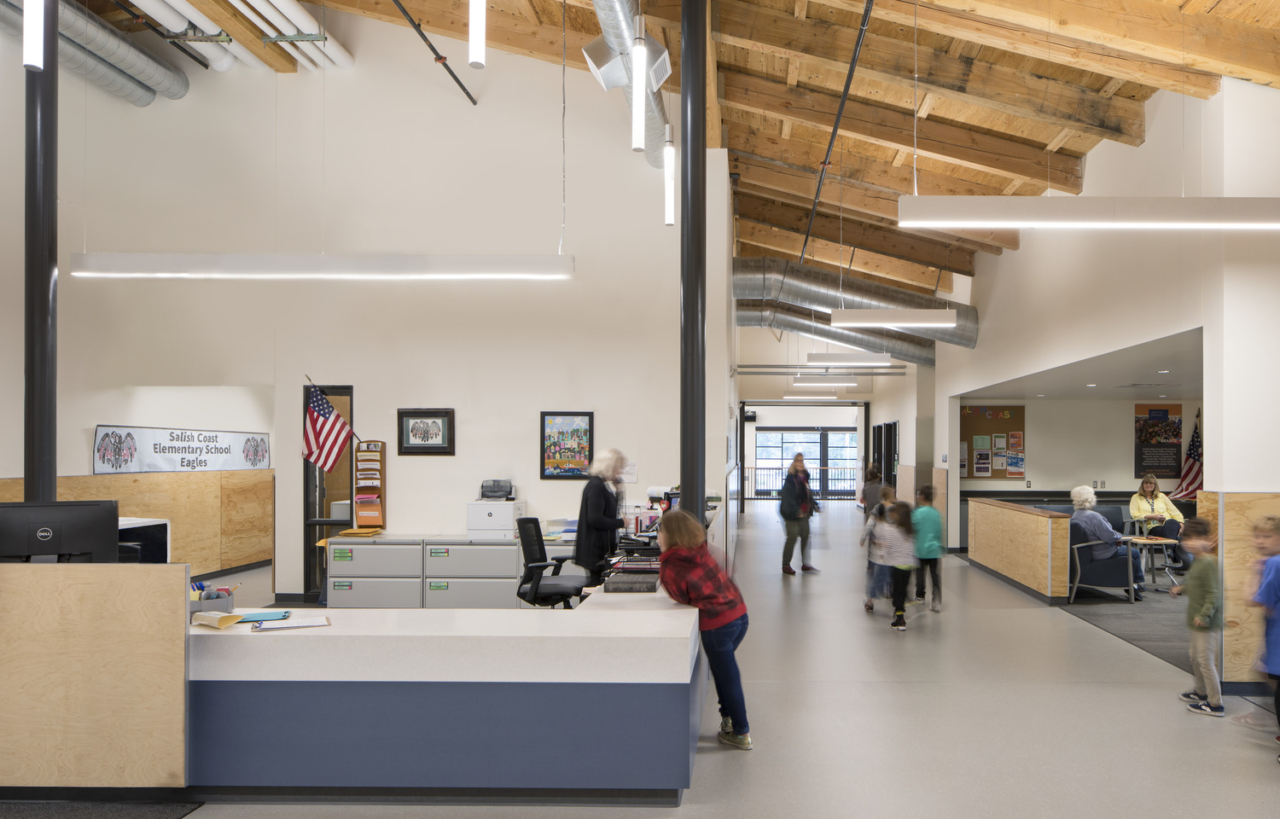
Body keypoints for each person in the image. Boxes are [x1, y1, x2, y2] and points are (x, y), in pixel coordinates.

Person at [657, 508, 752, 751]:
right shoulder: (702, 549)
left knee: (728, 677)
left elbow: (680, 598)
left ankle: (742, 733)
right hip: (740, 616)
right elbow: (729, 567)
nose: (657, 537)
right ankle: (727, 720)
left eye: (660, 532)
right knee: (722, 671)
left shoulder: (671, 565)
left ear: (670, 536)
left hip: (717, 627)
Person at [1168, 518, 1223, 716]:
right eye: (1187, 539)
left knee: (1205, 662)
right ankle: (1201, 691)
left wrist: (1204, 615)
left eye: (1195, 538)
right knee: (1194, 657)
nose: (1189, 543)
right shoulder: (1198, 559)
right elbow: (1195, 583)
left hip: (1205, 622)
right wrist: (1181, 588)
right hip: (1196, 621)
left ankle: (1215, 703)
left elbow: (1213, 594)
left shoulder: (1208, 562)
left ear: (1206, 539)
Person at [1071, 485, 1146, 600]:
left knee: (1126, 550)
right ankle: (1135, 584)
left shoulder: (1075, 515)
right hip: (1102, 552)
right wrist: (1119, 537)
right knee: (1134, 553)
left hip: (1086, 552)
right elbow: (1109, 536)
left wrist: (1114, 540)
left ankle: (1134, 584)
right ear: (1091, 499)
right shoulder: (1094, 516)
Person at [1246, 515, 1280, 762]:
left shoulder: (1274, 564)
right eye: (1257, 536)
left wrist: (1253, 573)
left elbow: (1259, 601)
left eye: (1267, 536)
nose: (1260, 541)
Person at [573, 448, 627, 584]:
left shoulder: (602, 485)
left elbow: (610, 511)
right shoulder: (596, 486)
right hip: (595, 551)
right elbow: (595, 519)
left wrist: (619, 492)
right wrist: (621, 523)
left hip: (601, 549)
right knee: (598, 587)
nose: (620, 471)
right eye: (619, 467)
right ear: (610, 466)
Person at [1130, 474, 1190, 571]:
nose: (1148, 485)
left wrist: (1181, 523)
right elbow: (1134, 514)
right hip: (1153, 527)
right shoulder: (1136, 497)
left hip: (1169, 524)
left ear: (1155, 485)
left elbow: (1175, 512)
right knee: (1174, 534)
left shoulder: (1162, 496)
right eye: (1146, 483)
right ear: (1142, 485)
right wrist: (1152, 516)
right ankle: (1176, 561)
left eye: (1151, 483)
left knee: (1172, 522)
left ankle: (1169, 549)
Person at [880, 501, 919, 631]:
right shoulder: (911, 531)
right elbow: (912, 548)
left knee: (896, 592)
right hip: (909, 565)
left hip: (896, 566)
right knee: (902, 590)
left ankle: (900, 619)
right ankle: (900, 608)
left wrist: (884, 557)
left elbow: (887, 548)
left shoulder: (891, 530)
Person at [779, 453, 819, 575]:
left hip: (804, 512)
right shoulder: (790, 479)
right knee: (792, 535)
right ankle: (786, 564)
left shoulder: (805, 478)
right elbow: (788, 497)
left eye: (802, 461)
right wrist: (797, 510)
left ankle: (805, 563)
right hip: (791, 513)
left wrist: (814, 504)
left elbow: (807, 494)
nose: (800, 463)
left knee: (805, 535)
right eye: (798, 461)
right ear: (794, 463)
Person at [861, 485, 896, 613]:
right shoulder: (895, 510)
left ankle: (870, 600)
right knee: (889, 571)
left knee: (872, 575)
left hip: (875, 551)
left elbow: (869, 525)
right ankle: (889, 590)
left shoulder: (877, 508)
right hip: (890, 550)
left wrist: (863, 538)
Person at [912, 485, 943, 612]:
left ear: (922, 497)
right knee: (935, 576)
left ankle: (920, 596)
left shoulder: (917, 513)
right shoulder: (936, 513)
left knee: (920, 574)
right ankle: (936, 601)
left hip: (920, 549)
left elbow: (913, 529)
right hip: (934, 550)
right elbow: (939, 531)